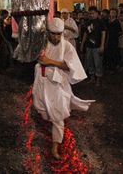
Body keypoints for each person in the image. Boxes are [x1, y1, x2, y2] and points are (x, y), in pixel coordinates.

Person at [33, 17, 95, 160]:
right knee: (42, 109)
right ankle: (50, 126)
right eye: (52, 33)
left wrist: (51, 62)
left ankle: (55, 146)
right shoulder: (41, 44)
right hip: (42, 82)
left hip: (58, 84)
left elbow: (71, 66)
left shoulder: (67, 46)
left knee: (58, 115)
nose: (55, 37)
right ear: (47, 32)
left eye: (58, 34)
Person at [80, 7, 106, 86]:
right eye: (90, 13)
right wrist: (82, 44)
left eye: (93, 13)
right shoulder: (87, 23)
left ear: (97, 13)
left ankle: (98, 78)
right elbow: (86, 33)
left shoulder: (101, 22)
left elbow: (103, 33)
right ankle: (92, 77)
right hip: (89, 45)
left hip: (97, 45)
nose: (91, 15)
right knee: (89, 61)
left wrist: (102, 45)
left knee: (98, 62)